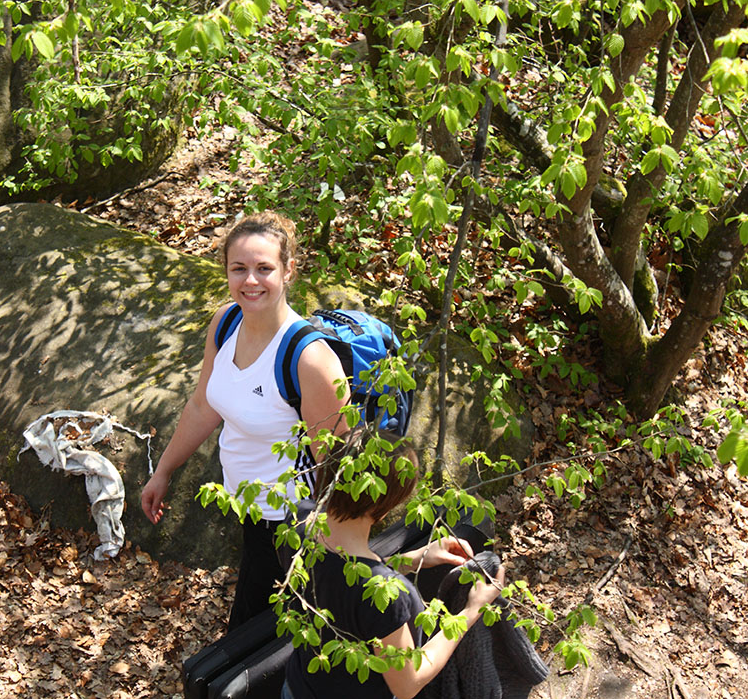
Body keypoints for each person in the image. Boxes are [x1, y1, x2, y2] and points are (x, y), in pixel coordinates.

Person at [140, 211, 349, 629]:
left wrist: (330, 545)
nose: (250, 281)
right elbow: (204, 405)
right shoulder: (226, 321)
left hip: (293, 521)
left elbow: (338, 464)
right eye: (239, 269)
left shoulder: (309, 360)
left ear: (288, 270)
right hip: (250, 506)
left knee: (256, 634)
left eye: (264, 268)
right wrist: (164, 470)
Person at [281, 429, 506, 699]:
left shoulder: (296, 524)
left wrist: (412, 559)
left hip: (298, 688)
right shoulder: (389, 596)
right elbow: (408, 683)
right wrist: (471, 611)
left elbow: (338, 577)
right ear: (384, 506)